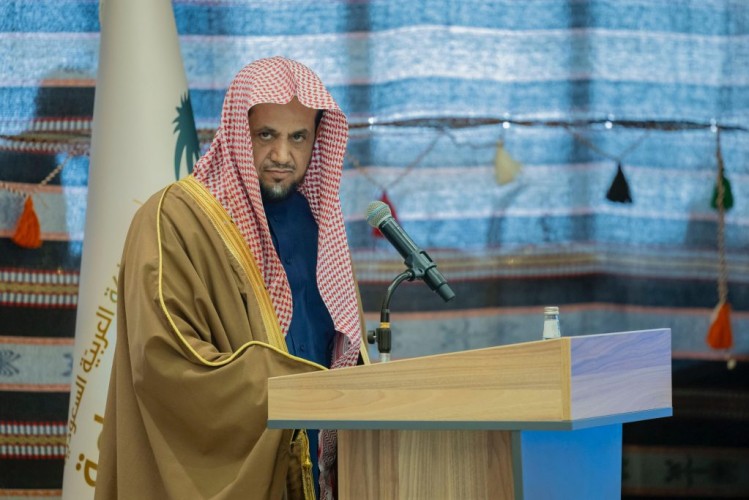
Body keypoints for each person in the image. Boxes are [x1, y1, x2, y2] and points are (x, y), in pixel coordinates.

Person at [95, 56, 369, 500]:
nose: (283, 155)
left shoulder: (320, 227)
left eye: (299, 137)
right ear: (239, 133)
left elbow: (343, 351)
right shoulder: (173, 220)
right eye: (267, 135)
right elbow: (165, 362)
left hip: (319, 470)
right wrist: (298, 388)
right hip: (247, 469)